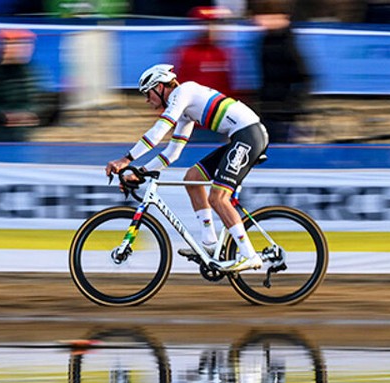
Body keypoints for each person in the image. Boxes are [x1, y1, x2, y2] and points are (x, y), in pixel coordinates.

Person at [105, 64, 269, 272]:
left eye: (148, 94)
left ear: (160, 86)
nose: (148, 101)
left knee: (218, 197)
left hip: (249, 135)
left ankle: (249, 255)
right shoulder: (185, 111)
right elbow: (173, 152)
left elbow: (159, 130)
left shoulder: (184, 92)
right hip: (241, 136)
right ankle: (209, 245)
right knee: (192, 179)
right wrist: (142, 173)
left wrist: (127, 159)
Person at [253, 1, 313, 144]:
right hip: (267, 110)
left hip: (283, 113)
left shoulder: (287, 44)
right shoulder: (265, 41)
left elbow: (303, 77)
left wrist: (292, 105)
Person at [0, 29, 42, 143]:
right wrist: (6, 115)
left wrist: (29, 114)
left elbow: (35, 99)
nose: (26, 50)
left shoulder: (31, 71)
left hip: (22, 132)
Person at [174, 6, 234, 96]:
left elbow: (227, 86)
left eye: (213, 24)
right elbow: (178, 86)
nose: (210, 28)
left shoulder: (223, 54)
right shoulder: (187, 54)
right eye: (205, 24)